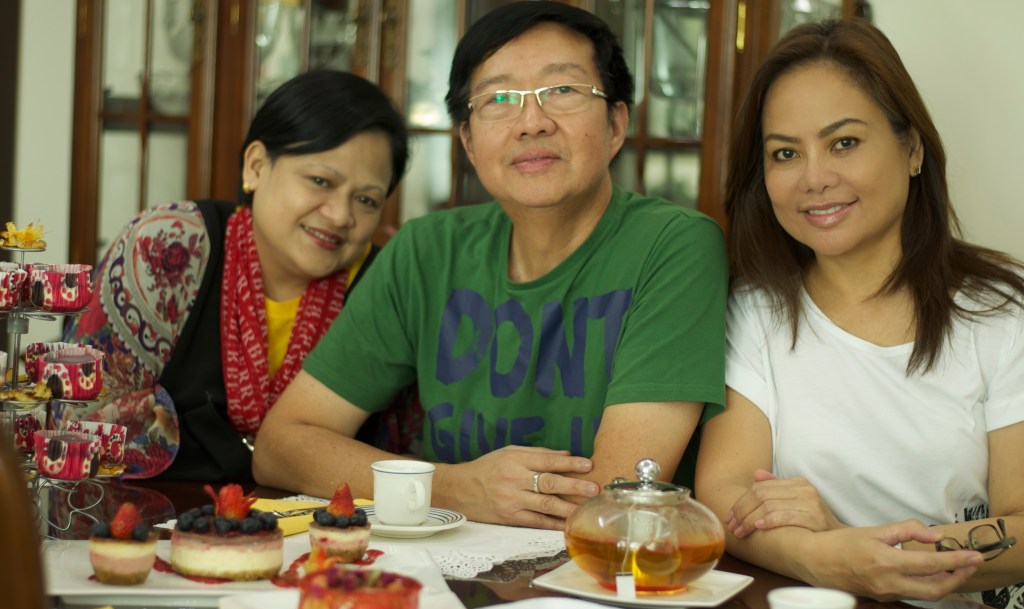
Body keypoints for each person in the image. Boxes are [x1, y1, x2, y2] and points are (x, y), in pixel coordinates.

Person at [253, 1, 728, 529]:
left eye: (563, 91)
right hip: (429, 568)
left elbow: (612, 501)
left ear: (616, 123)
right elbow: (280, 446)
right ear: (469, 142)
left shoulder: (674, 246)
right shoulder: (427, 250)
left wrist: (427, 490)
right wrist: (452, 486)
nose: (532, 122)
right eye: (499, 98)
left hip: (597, 582)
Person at [695, 18, 1024, 609]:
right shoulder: (753, 311)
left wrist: (859, 546)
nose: (815, 178)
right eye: (785, 153)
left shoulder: (1003, 311)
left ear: (912, 147)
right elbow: (724, 498)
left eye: (844, 142)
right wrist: (828, 555)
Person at [61, 70, 411, 481]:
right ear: (257, 165)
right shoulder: (169, 245)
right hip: (143, 522)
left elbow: (400, 455)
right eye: (320, 180)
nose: (340, 215)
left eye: (367, 200)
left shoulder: (386, 284)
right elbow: (80, 417)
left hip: (323, 536)